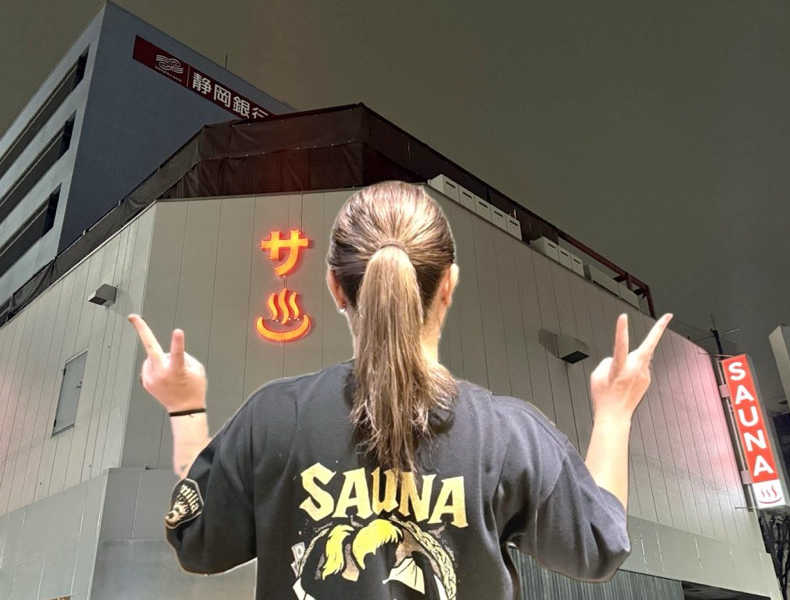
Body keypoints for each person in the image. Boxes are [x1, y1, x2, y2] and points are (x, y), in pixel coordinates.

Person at [128, 180, 672, 599]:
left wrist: (185, 407)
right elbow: (598, 546)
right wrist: (615, 412)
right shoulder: (510, 433)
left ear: (336, 288)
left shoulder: (275, 416)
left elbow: (197, 541)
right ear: (448, 285)